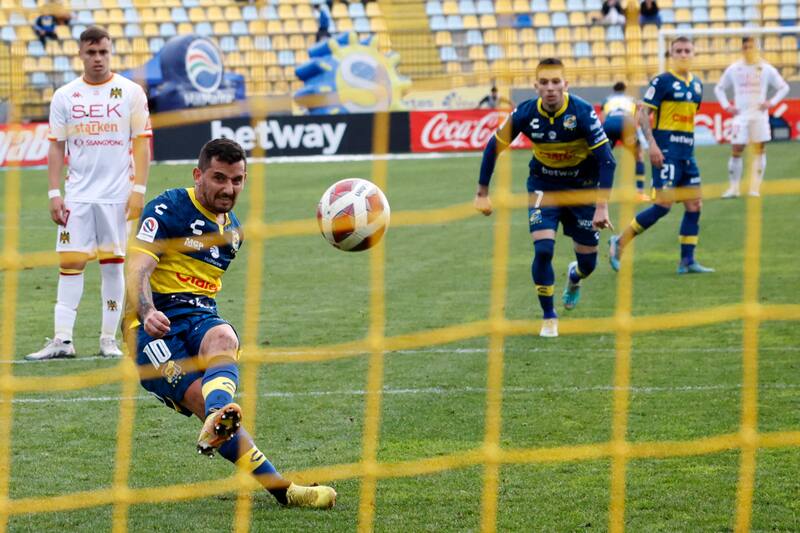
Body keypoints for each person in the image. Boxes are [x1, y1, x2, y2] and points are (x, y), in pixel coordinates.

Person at [125, 138, 337, 509]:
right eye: (219, 178)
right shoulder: (168, 207)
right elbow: (138, 267)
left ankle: (219, 418)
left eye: (237, 180)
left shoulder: (233, 233)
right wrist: (146, 310)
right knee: (199, 398)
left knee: (224, 337)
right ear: (198, 175)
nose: (229, 189)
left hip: (199, 315)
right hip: (150, 329)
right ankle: (281, 488)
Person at [26, 26, 151, 361]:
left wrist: (139, 190)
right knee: (70, 264)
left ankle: (108, 340)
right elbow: (56, 147)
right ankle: (62, 340)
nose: (98, 58)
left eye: (103, 52)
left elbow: (142, 144)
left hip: (117, 196)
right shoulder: (65, 96)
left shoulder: (131, 93)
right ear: (80, 54)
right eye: (91, 52)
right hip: (77, 196)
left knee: (113, 266)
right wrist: (54, 192)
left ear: (111, 52)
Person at [474, 58, 616, 338]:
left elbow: (608, 161)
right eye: (544, 83)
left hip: (582, 189)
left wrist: (601, 207)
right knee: (543, 250)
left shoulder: (582, 112)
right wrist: (482, 193)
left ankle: (574, 276)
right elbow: (493, 147)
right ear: (535, 86)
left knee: (588, 265)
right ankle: (549, 316)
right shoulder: (525, 113)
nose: (550, 88)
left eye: (555, 82)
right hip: (543, 186)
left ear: (566, 84)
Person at [609, 37, 714, 274]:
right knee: (663, 205)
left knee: (694, 204)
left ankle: (687, 261)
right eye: (679, 51)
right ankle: (620, 241)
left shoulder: (697, 85)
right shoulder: (662, 81)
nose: (683, 54)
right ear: (671, 54)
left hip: (687, 153)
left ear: (694, 53)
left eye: (687, 50)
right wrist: (652, 145)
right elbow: (643, 113)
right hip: (666, 152)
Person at [715, 37, 789, 198]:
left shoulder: (766, 68)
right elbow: (719, 88)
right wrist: (727, 106)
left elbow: (784, 87)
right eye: (746, 47)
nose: (749, 50)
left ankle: (754, 188)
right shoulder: (734, 69)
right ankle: (734, 189)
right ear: (742, 49)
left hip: (759, 116)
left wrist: (771, 102)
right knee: (737, 149)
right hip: (740, 116)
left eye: (752, 47)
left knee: (759, 150)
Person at [600, 81, 648, 199]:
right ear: (625, 90)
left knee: (603, 158)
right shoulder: (631, 99)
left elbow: (602, 118)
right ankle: (639, 192)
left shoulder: (607, 100)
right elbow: (638, 116)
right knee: (639, 156)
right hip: (627, 125)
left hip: (609, 125)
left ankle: (598, 191)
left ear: (614, 90)